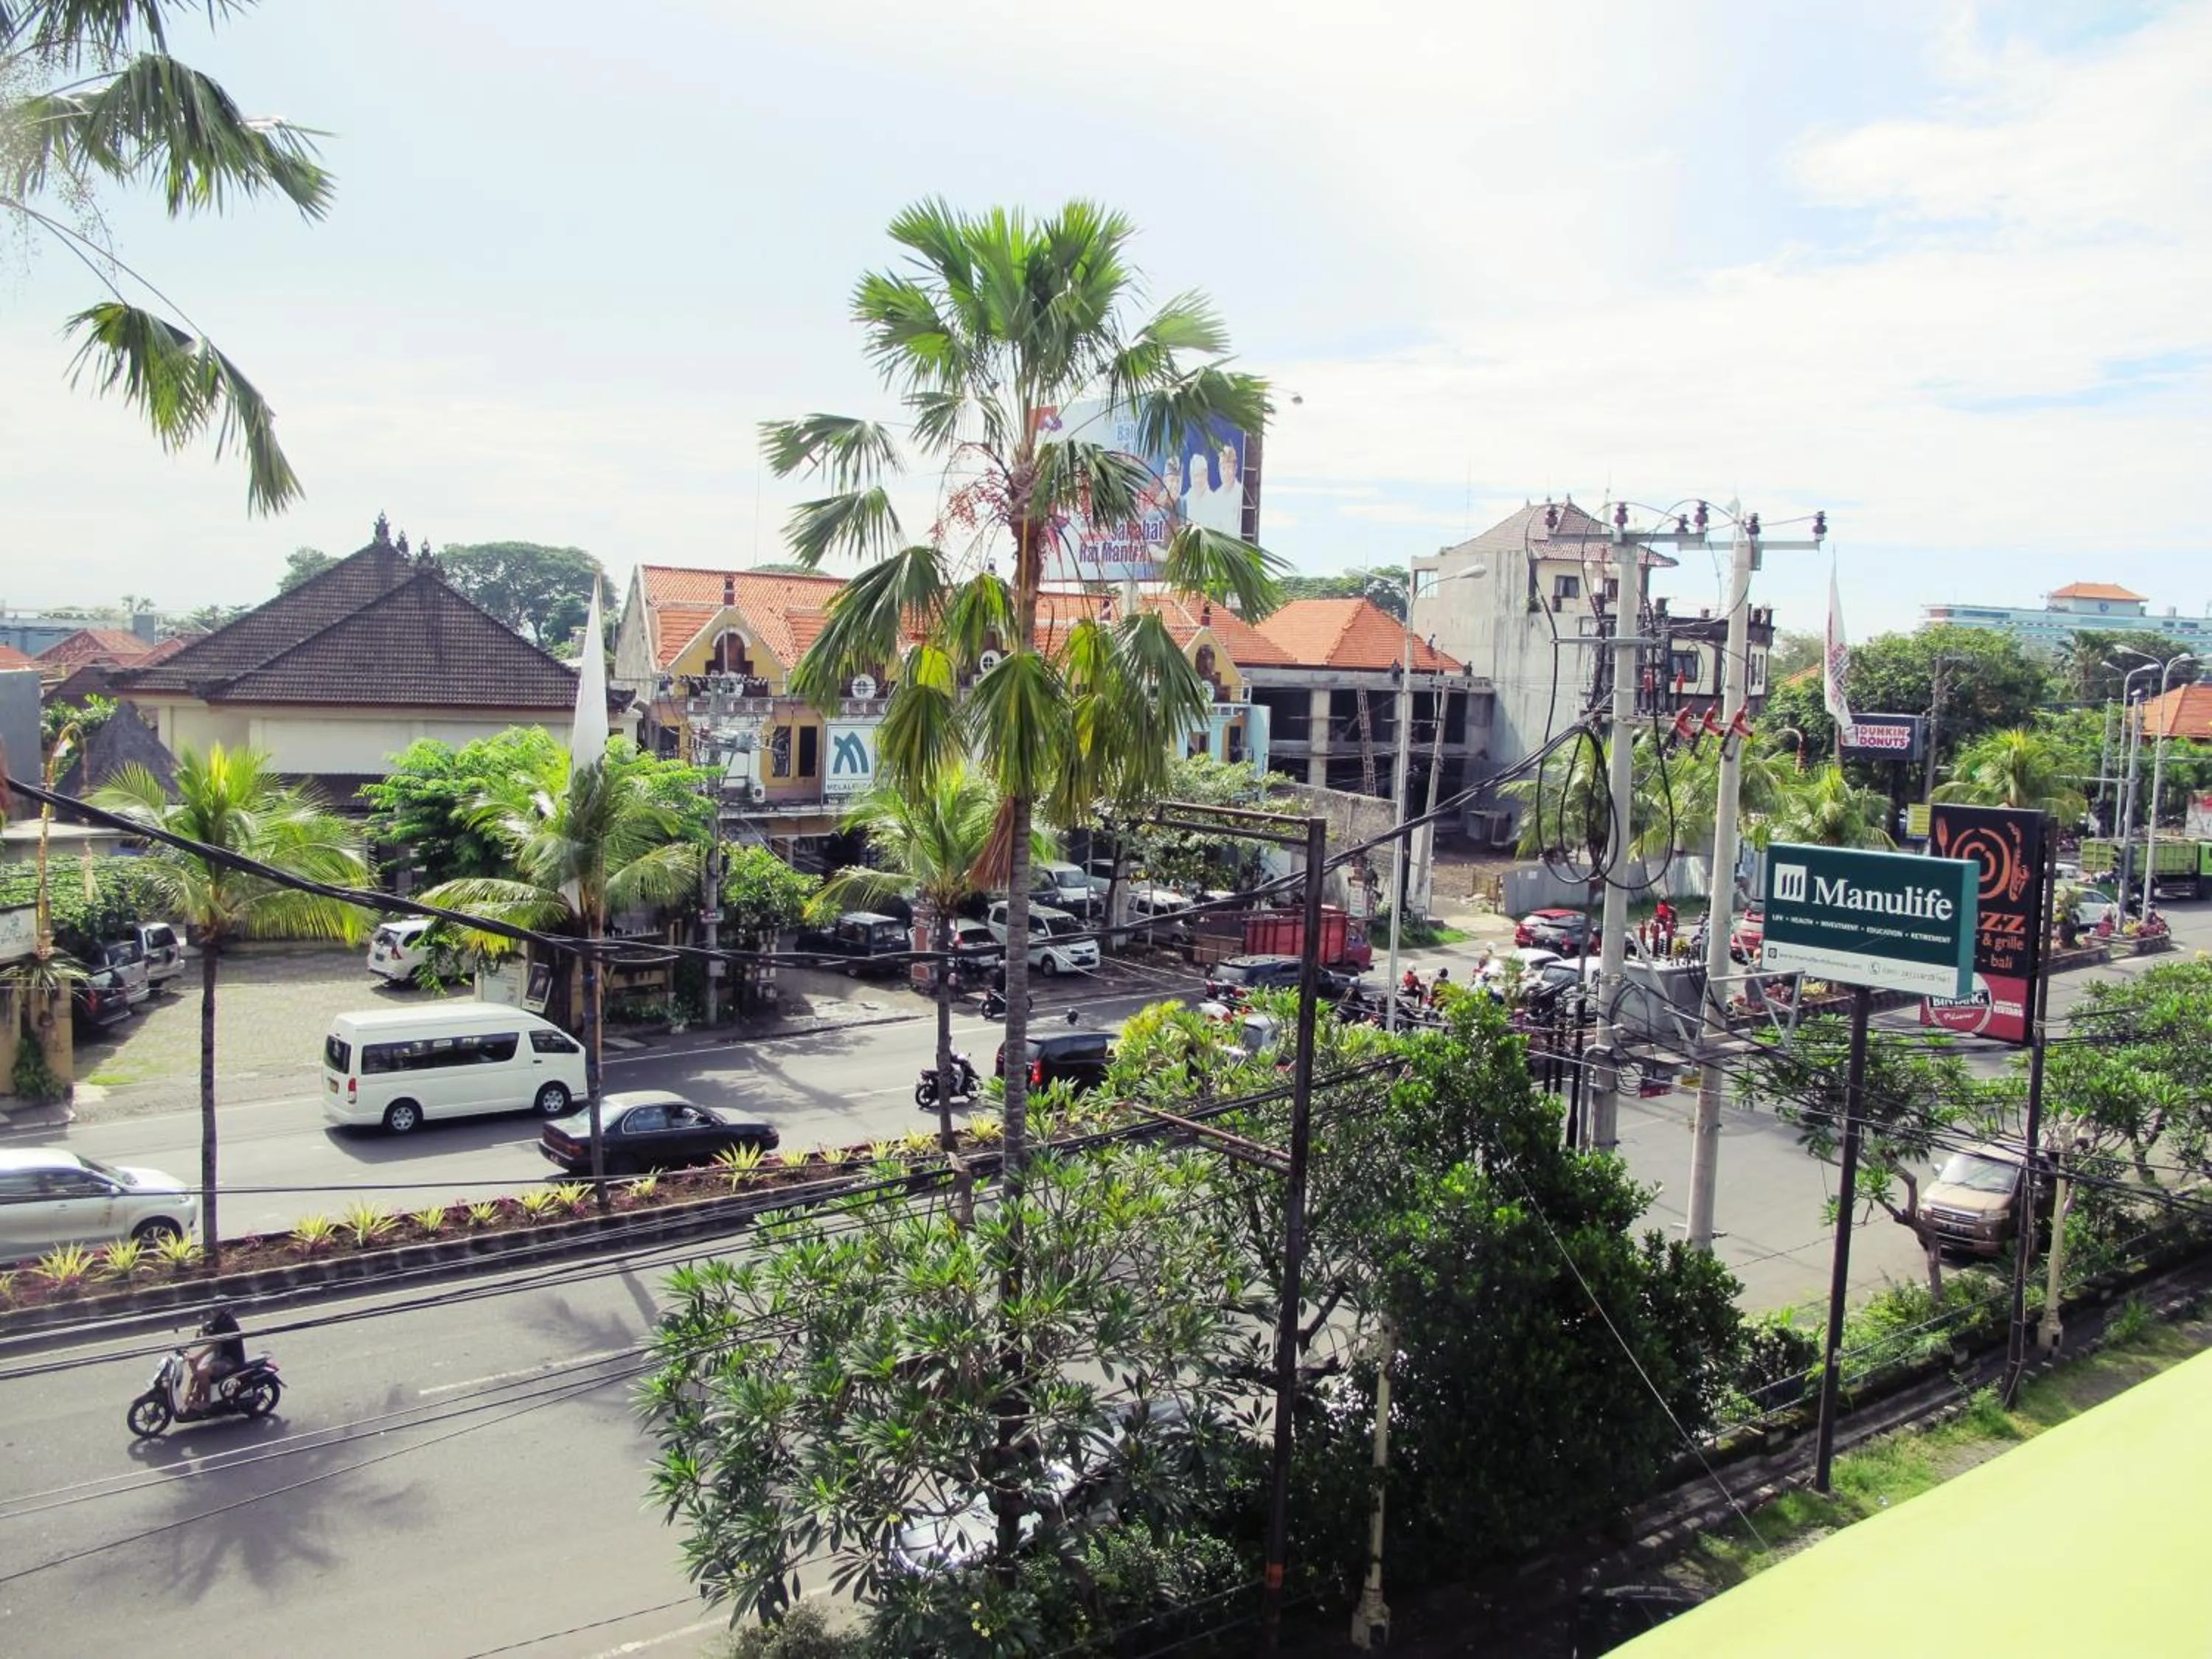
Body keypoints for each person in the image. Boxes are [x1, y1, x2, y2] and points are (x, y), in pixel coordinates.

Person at [184, 1306, 246, 1413]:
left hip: (231, 1361)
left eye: (215, 1309)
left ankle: (207, 1403)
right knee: (198, 1373)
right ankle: (197, 1398)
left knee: (202, 1373)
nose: (212, 1312)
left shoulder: (227, 1323)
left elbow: (216, 1343)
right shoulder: (220, 1321)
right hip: (221, 1357)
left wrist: (198, 1357)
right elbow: (210, 1334)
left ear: (222, 1311)